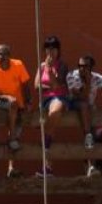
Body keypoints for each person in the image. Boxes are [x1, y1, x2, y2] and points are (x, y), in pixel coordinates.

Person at [0, 44, 31, 177]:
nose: (1, 57)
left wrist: (28, 102)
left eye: (4, 54)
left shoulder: (18, 65)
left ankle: (11, 168)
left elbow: (26, 85)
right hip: (0, 101)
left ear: (9, 56)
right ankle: (12, 140)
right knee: (13, 132)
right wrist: (7, 97)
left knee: (15, 135)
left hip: (18, 105)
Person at [67, 54, 102, 177]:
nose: (82, 69)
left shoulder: (96, 78)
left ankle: (92, 165)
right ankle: (90, 165)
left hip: (89, 110)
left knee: (100, 135)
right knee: (88, 130)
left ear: (91, 68)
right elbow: (80, 96)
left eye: (85, 66)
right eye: (80, 66)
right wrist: (87, 82)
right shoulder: (72, 76)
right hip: (72, 106)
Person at [37, 36, 70, 176]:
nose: (50, 51)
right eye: (48, 48)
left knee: (55, 110)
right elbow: (37, 85)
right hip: (45, 99)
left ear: (58, 50)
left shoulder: (62, 65)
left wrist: (50, 70)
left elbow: (57, 84)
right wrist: (49, 84)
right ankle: (47, 146)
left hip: (59, 98)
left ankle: (46, 140)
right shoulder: (41, 66)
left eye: (53, 48)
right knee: (52, 115)